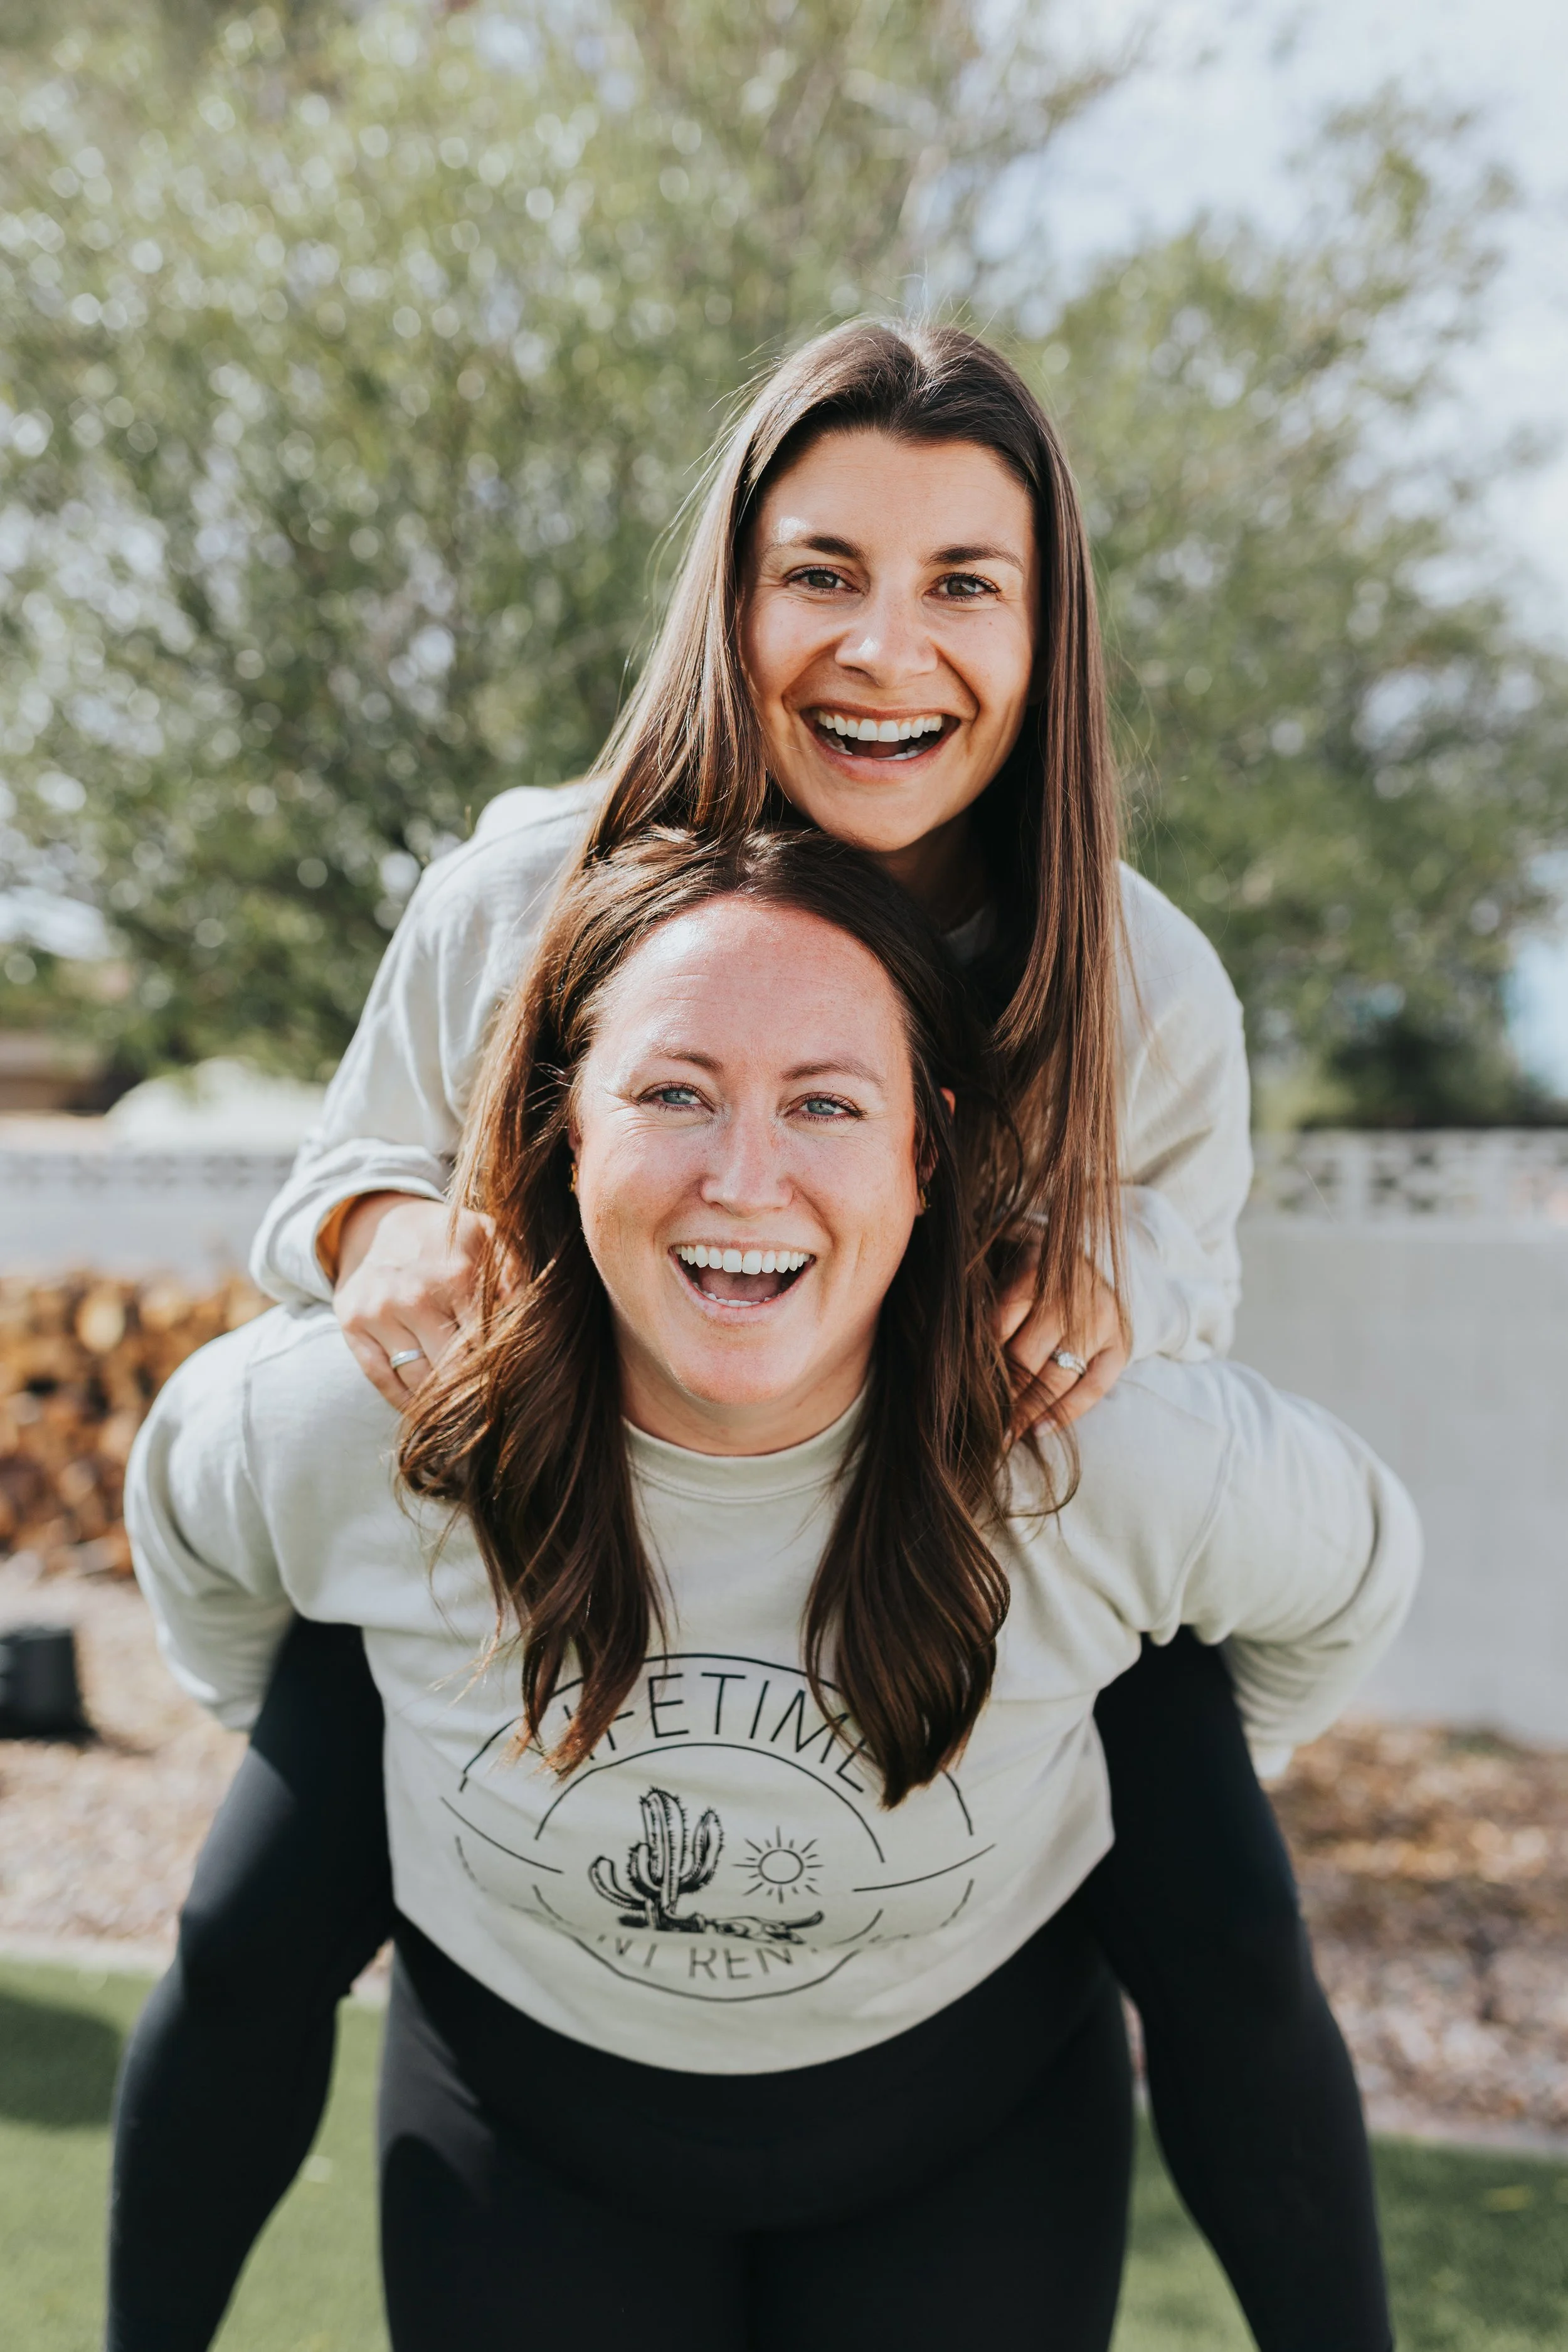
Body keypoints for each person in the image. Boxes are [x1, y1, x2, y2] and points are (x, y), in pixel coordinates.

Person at [107, 320, 1385, 2352]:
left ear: (1048, 634)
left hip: (928, 1569)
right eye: (823, 572)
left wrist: (1087, 1300)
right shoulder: (527, 881)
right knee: (250, 1914)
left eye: (965, 584)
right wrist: (387, 1242)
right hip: (556, 1539)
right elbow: (336, 1193)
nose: (888, 647)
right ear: (733, 589)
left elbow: (1168, 1389)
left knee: (1223, 1889)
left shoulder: (1142, 982)